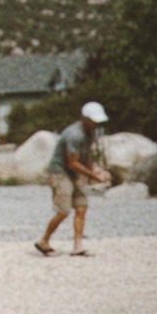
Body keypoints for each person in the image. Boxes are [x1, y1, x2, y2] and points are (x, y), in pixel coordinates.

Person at [36, 100, 111, 257]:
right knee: (63, 210)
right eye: (93, 121)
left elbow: (86, 155)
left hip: (75, 172)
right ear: (85, 118)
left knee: (81, 207)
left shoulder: (90, 133)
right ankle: (44, 241)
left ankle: (78, 246)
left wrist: (95, 169)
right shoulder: (74, 135)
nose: (96, 124)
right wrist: (93, 176)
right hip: (61, 172)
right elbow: (73, 163)